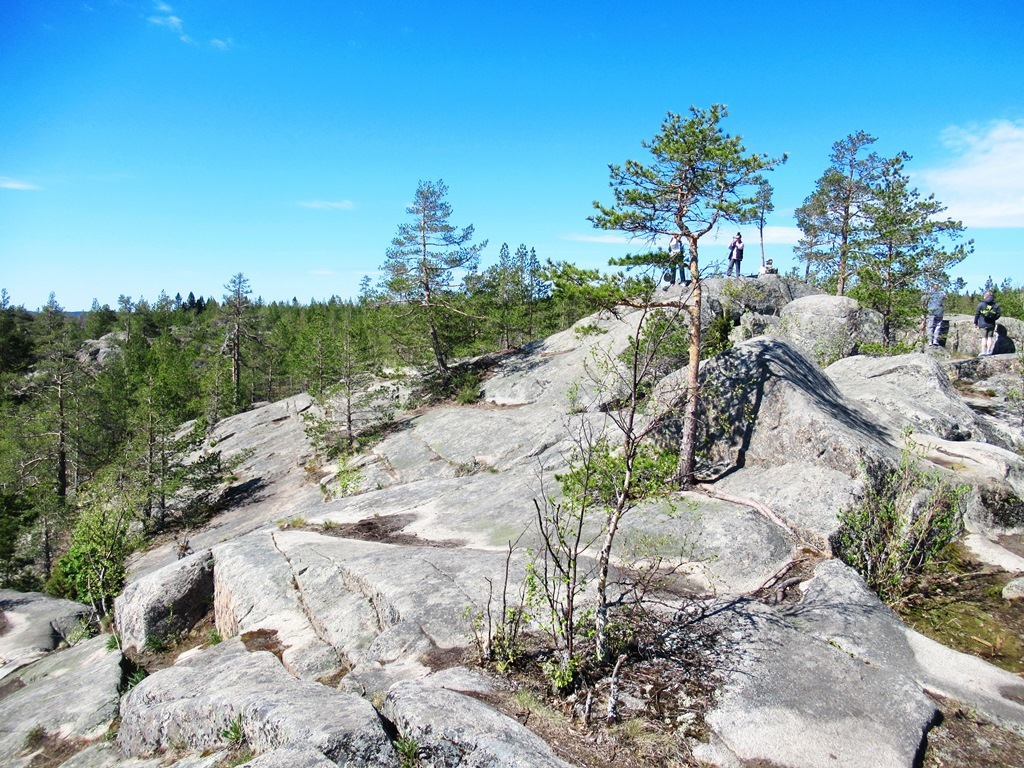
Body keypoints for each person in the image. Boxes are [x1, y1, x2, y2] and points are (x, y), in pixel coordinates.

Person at [974, 290, 1001, 356]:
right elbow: (998, 314)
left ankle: (983, 351)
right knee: (990, 338)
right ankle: (989, 351)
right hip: (991, 324)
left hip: (982, 324)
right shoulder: (996, 305)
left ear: (985, 296)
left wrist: (975, 322)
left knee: (984, 338)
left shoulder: (981, 304)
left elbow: (977, 314)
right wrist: (994, 319)